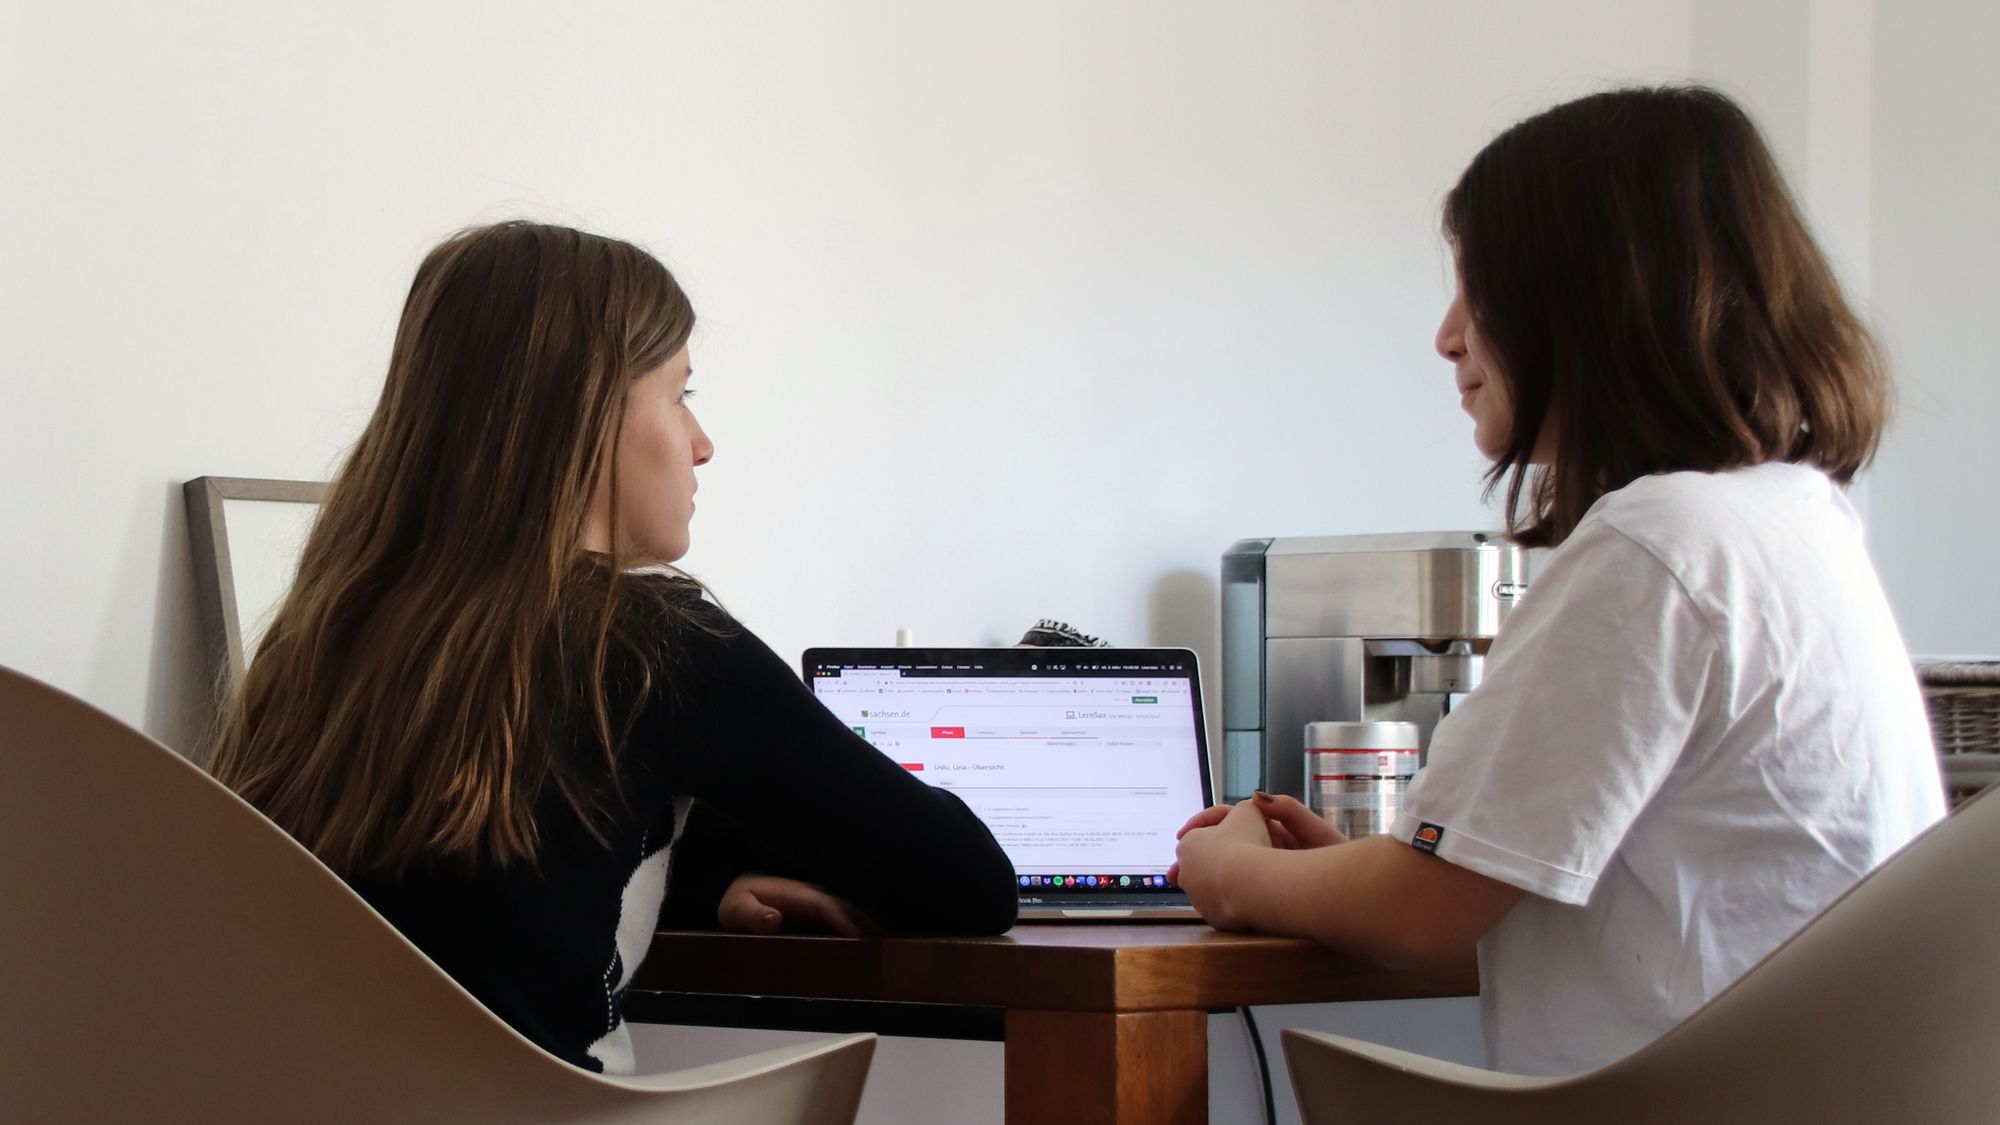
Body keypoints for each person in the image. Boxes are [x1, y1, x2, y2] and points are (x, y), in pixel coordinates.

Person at [1170, 85, 1944, 1077]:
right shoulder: (1790, 517)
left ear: (1584, 294)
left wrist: (1228, 875)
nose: (1447, 336)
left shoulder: (1656, 541)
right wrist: (1357, 871)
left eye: (1474, 286)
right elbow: (1481, 889)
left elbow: (1420, 917)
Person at [207, 221, 1017, 1074]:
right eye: (681, 396)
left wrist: (700, 885)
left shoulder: (326, 641)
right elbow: (963, 881)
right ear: (587, 413)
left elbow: (503, 872)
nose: (702, 445)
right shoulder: (653, 642)